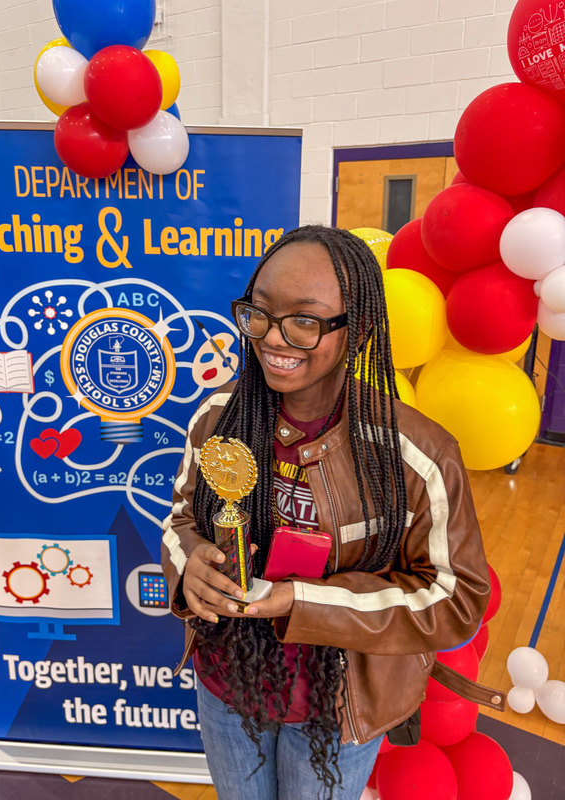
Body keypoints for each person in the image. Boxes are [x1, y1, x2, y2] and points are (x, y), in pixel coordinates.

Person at [161, 225, 490, 800]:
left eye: (305, 320)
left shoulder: (416, 454)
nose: (272, 337)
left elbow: (457, 598)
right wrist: (189, 562)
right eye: (258, 313)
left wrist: (302, 601)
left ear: (358, 330)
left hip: (338, 708)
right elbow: (181, 519)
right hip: (227, 687)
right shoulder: (219, 417)